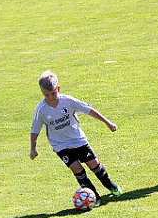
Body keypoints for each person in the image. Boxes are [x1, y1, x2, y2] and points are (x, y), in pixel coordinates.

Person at [30, 70, 122, 207]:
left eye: (53, 93)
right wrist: (33, 148)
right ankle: (93, 197)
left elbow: (89, 110)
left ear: (58, 88)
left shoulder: (69, 101)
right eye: (46, 95)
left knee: (94, 164)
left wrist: (108, 123)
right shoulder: (41, 110)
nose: (50, 97)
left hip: (78, 140)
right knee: (77, 170)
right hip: (60, 146)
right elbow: (35, 129)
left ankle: (109, 184)